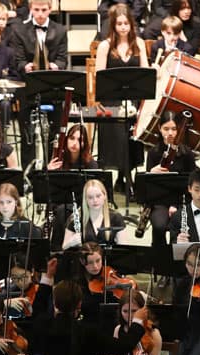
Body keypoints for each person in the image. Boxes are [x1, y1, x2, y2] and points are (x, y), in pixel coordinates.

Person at [95, 4, 148, 189]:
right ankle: (124, 179)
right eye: (119, 24)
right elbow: (99, 77)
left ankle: (126, 177)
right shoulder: (105, 46)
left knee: (131, 132)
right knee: (118, 133)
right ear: (113, 25)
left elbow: (145, 73)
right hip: (112, 101)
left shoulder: (139, 43)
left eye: (126, 23)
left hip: (133, 98)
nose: (123, 27)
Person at [11, 0, 68, 167]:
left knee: (55, 134)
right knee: (27, 134)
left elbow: (63, 58)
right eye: (37, 10)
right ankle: (29, 174)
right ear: (31, 9)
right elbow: (18, 59)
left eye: (44, 10)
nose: (41, 14)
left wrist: (56, 66)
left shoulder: (60, 30)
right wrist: (25, 66)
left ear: (50, 9)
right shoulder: (19, 30)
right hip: (28, 86)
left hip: (53, 86)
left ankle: (54, 169)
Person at [62, 179, 124, 249]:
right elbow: (64, 247)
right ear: (86, 199)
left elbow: (123, 248)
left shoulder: (116, 217)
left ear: (105, 196)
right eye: (90, 197)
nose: (95, 200)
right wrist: (72, 242)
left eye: (98, 196)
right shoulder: (76, 219)